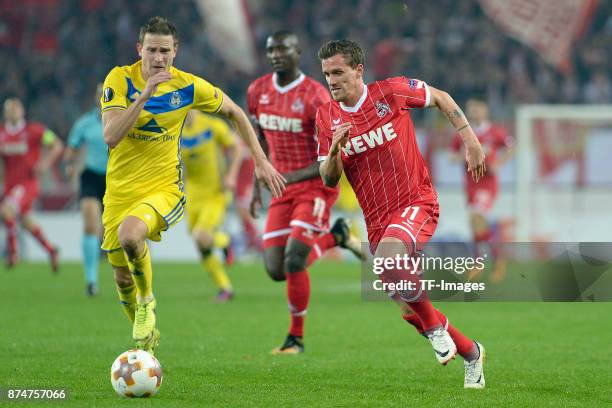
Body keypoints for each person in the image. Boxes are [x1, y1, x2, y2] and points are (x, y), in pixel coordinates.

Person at [100, 16, 284, 354]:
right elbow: (111, 136)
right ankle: (147, 344)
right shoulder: (120, 80)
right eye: (152, 50)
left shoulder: (187, 86)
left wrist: (260, 160)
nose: (158, 58)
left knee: (131, 235)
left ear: (176, 51)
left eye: (165, 51)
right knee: (121, 278)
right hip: (118, 193)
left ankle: (146, 301)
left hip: (163, 188)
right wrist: (143, 97)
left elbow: (235, 113)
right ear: (139, 49)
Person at [316, 39, 487, 389]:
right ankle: (472, 353)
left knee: (394, 265)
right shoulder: (326, 116)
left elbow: (441, 97)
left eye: (338, 72)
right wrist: (334, 149)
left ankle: (436, 330)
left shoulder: (391, 92)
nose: (331, 81)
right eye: (326, 74)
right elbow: (329, 178)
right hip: (377, 219)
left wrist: (469, 139)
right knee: (409, 311)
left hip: (416, 201)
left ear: (358, 70)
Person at [247, 30, 365, 355]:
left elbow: (332, 157)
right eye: (271, 49)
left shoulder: (316, 97)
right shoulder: (257, 91)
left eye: (283, 49)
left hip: (314, 187)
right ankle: (336, 237)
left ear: (298, 51)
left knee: (295, 259)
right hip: (281, 188)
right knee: (276, 270)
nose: (276, 55)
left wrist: (287, 175)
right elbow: (260, 139)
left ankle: (295, 338)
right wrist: (260, 180)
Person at [180, 110, 242, 302]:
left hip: (216, 192)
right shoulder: (177, 130)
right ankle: (225, 287)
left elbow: (237, 148)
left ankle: (226, 242)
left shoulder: (212, 125)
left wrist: (231, 175)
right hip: (192, 195)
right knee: (201, 244)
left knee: (201, 235)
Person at [450, 97, 513, 283]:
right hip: (470, 184)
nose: (473, 112)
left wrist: (498, 164)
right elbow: (451, 157)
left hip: (487, 183)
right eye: (470, 109)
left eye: (476, 108)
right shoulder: (462, 133)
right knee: (475, 224)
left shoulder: (495, 132)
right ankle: (485, 259)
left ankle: (489, 260)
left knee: (476, 216)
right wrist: (462, 156)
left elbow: (510, 147)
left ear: (485, 110)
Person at [0, 97, 62, 271]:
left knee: (6, 211)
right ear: (5, 113)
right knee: (27, 222)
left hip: (27, 184)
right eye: (9, 109)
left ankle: (12, 254)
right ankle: (51, 251)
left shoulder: (35, 130)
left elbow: (56, 144)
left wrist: (45, 163)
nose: (13, 112)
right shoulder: (2, 133)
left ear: (22, 111)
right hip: (10, 186)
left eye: (16, 108)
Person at [64, 84, 108, 296]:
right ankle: (91, 281)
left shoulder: (127, 118)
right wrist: (70, 166)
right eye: (100, 94)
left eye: (107, 93)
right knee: (91, 224)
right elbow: (71, 149)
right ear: (95, 97)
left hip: (118, 179)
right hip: (91, 176)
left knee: (120, 232)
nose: (103, 97)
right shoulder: (84, 123)